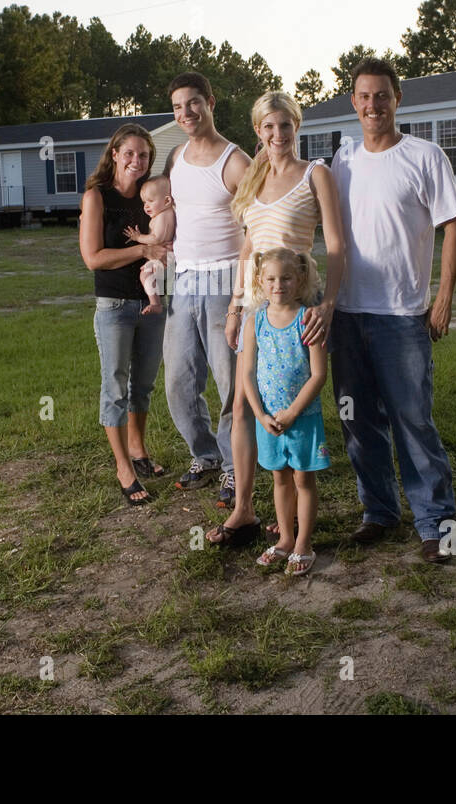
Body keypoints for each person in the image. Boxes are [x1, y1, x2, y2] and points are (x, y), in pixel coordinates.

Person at [330, 57, 456, 564]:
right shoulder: (340, 162)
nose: (373, 105)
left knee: (413, 419)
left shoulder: (425, 157)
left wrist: (443, 297)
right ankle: (379, 512)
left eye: (382, 95)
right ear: (354, 102)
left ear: (397, 99)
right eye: (364, 96)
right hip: (347, 313)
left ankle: (435, 522)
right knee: (358, 420)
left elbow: (454, 226)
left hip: (403, 315)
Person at [205, 90, 345, 548]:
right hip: (253, 304)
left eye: (285, 125)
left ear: (296, 126)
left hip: (295, 301)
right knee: (244, 402)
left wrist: (327, 305)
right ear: (258, 131)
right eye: (268, 127)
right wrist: (234, 307)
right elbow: (247, 248)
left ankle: (297, 508)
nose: (277, 134)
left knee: (296, 397)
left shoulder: (315, 174)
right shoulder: (253, 178)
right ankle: (245, 509)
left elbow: (338, 246)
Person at [161, 72, 253, 502]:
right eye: (178, 107)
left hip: (223, 280)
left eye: (193, 103)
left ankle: (235, 469)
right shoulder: (176, 156)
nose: (186, 113)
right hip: (183, 278)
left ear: (210, 102)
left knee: (229, 382)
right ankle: (206, 454)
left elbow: (258, 226)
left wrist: (242, 294)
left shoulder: (235, 162)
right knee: (178, 380)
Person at [78, 124, 172, 505]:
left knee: (143, 385)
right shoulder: (97, 197)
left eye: (144, 155)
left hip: (152, 305)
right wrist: (142, 252)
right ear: (114, 154)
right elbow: (93, 259)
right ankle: (123, 468)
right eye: (129, 153)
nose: (137, 161)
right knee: (115, 387)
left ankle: (138, 449)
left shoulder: (152, 199)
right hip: (114, 305)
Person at [242, 248, 330, 576]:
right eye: (271, 279)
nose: (278, 285)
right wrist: (260, 414)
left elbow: (319, 375)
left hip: (302, 419)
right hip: (269, 421)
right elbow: (248, 374)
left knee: (303, 478)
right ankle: (285, 539)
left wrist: (293, 412)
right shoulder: (255, 322)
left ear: (300, 279)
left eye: (286, 278)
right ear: (260, 281)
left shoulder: (308, 319)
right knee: (280, 478)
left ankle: (304, 543)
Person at [123, 175, 175, 315]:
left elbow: (156, 238)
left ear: (167, 201)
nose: (146, 206)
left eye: (151, 201)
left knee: (144, 275)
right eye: (144, 202)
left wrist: (138, 237)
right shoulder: (164, 213)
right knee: (150, 276)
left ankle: (155, 303)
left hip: (163, 256)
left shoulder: (164, 216)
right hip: (163, 256)